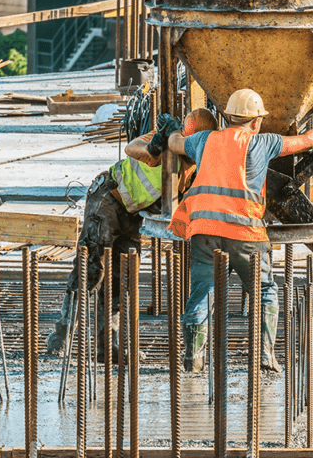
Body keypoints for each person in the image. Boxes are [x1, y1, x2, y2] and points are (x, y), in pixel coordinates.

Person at [165, 88, 313, 372]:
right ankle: (264, 355)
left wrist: (170, 130)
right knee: (264, 291)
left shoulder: (203, 140)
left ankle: (193, 358)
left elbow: (175, 143)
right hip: (244, 234)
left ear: (227, 117)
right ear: (256, 122)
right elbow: (305, 141)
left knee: (201, 292)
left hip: (203, 231)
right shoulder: (262, 142)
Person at [45, 108, 219, 357]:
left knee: (120, 278)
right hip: (108, 199)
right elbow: (132, 148)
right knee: (91, 270)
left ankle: (108, 345)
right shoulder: (166, 138)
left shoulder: (196, 164)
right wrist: (157, 144)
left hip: (134, 216)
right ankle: (61, 336)